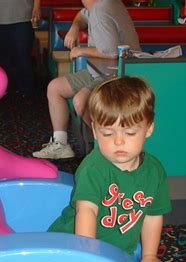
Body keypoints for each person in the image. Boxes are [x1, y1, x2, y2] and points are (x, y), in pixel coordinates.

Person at [48, 77, 171, 262]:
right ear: (95, 130)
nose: (119, 141)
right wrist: (88, 259)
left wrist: (149, 255)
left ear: (148, 129)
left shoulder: (154, 171)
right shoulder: (93, 168)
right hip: (71, 247)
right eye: (107, 133)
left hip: (117, 252)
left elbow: (152, 215)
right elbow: (86, 211)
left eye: (130, 132)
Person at [32, 0, 141, 159]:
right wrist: (75, 27)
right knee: (55, 88)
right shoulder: (99, 6)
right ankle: (61, 144)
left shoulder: (101, 12)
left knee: (81, 101)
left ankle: (106, 147)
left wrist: (80, 51)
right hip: (96, 71)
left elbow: (112, 53)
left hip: (116, 74)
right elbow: (81, 15)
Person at [0, 0, 41, 96]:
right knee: (2, 57)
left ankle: (27, 90)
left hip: (23, 15)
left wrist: (36, 6)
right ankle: (1, 88)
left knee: (23, 57)